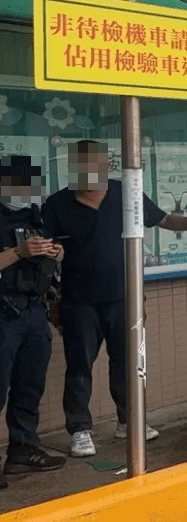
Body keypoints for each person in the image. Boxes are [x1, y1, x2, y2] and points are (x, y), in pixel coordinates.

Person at [41, 140, 187, 458]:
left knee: (127, 364)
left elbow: (164, 219)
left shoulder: (124, 194)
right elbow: (46, 249)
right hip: (79, 301)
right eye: (82, 167)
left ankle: (128, 422)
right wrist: (51, 283)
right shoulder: (57, 204)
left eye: (96, 165)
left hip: (124, 298)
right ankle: (80, 430)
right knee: (79, 366)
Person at [0, 155, 67, 486]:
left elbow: (58, 251)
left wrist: (55, 252)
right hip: (3, 313)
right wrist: (20, 252)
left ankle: (22, 451)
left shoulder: (34, 215)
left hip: (32, 312)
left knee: (29, 387)